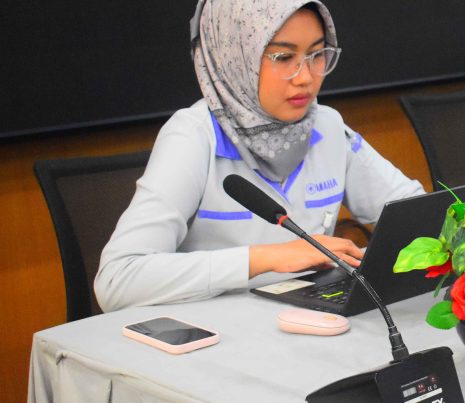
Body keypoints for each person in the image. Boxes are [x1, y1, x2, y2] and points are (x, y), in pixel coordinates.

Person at [95, 0, 423, 312]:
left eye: (317, 54)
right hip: (219, 337)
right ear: (234, 57)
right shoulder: (193, 137)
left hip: (307, 325)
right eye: (283, 57)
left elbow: (419, 212)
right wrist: (267, 258)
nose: (306, 77)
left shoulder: (327, 125)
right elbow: (117, 280)